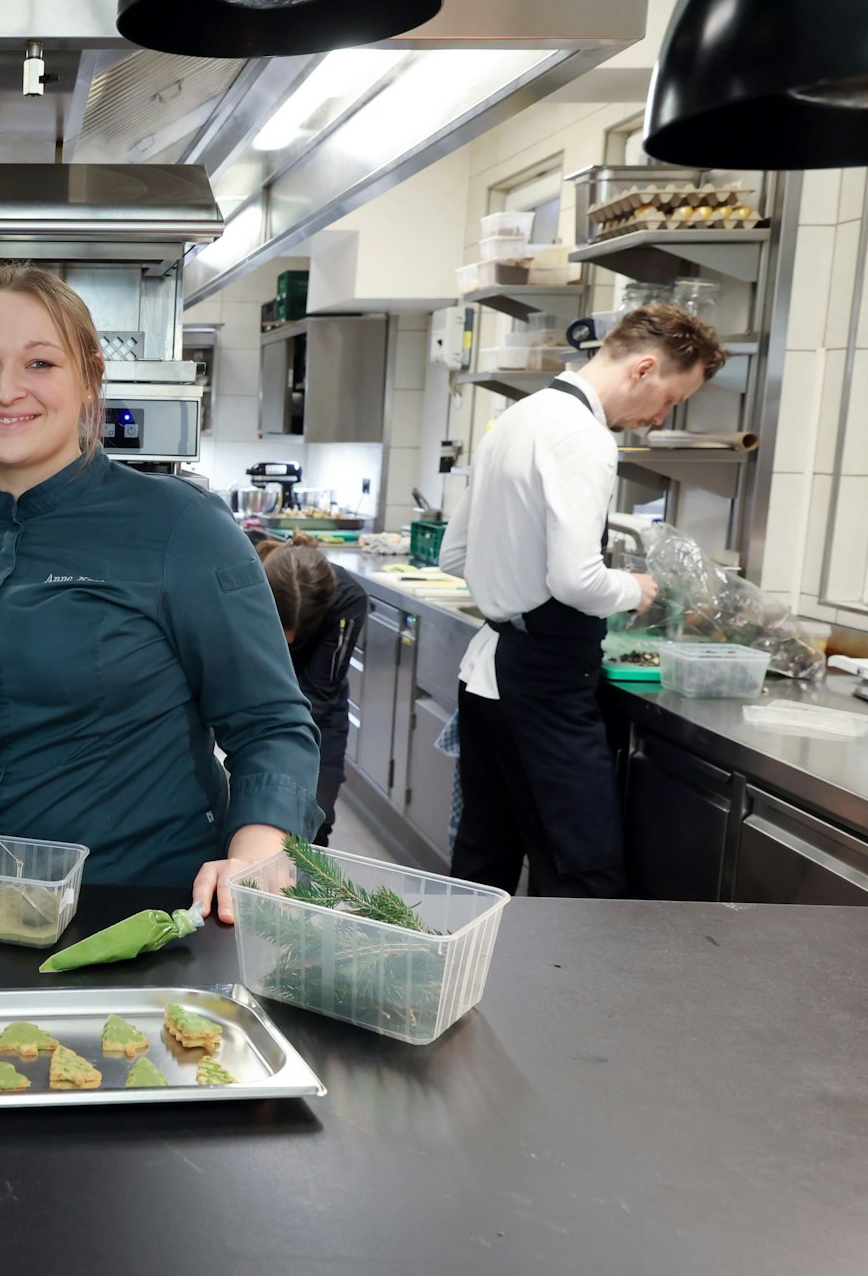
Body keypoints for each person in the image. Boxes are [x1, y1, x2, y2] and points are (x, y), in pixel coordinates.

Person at [0, 264, 322, 922]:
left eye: (40, 363)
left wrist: (257, 846)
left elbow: (272, 724)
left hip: (132, 912)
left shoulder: (181, 528)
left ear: (91, 374)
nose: (6, 389)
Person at [438, 304, 725, 897]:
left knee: (483, 859)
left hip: (489, 677)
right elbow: (576, 582)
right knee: (583, 869)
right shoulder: (584, 438)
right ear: (644, 368)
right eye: (670, 397)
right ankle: (563, 992)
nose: (659, 417)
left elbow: (454, 556)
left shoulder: (518, 418)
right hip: (541, 685)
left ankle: (454, 986)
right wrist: (635, 588)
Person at [255, 534, 368, 847]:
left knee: (315, 817)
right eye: (282, 626)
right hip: (256, 699)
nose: (290, 641)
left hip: (319, 709)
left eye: (299, 629)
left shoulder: (348, 598)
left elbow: (319, 693)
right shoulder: (248, 584)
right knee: (258, 810)